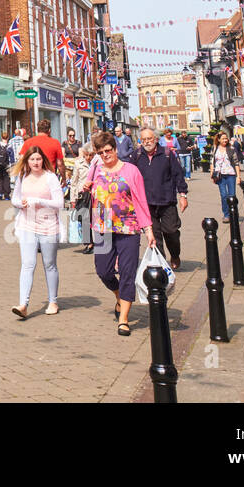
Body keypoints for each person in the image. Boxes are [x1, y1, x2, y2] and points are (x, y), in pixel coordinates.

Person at [84, 129, 155, 336]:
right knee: (103, 270)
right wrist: (87, 186)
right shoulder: (96, 169)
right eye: (101, 152)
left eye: (108, 150)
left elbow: (141, 200)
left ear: (115, 149)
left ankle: (123, 318)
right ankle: (118, 295)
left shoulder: (131, 170)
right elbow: (88, 189)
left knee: (127, 272)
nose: (105, 155)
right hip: (103, 229)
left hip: (128, 228)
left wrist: (148, 229)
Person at [10, 144, 63, 318]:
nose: (35, 162)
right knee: (27, 264)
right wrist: (21, 203)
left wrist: (40, 201)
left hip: (48, 226)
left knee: (49, 264)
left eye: (38, 159)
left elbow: (59, 203)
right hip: (27, 225)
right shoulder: (22, 176)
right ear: (27, 161)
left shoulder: (50, 178)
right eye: (32, 159)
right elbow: (15, 198)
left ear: (43, 160)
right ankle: (23, 304)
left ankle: (53, 301)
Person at [132, 127, 188, 270]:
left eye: (149, 139)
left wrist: (183, 195)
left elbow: (178, 175)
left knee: (171, 232)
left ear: (156, 139)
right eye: (143, 139)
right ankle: (162, 265)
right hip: (147, 204)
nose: (146, 142)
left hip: (167, 201)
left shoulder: (167, 154)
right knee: (155, 236)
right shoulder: (137, 156)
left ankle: (175, 254)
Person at [210, 130, 244, 223]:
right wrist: (212, 174)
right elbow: (212, 161)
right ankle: (226, 214)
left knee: (232, 195)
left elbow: (236, 163)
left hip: (231, 174)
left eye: (226, 138)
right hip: (220, 175)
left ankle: (234, 213)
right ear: (219, 139)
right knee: (224, 195)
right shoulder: (215, 148)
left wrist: (238, 177)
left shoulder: (231, 148)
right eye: (223, 138)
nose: (225, 140)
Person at [68, 144, 96, 255]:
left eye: (91, 155)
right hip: (82, 195)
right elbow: (74, 182)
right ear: (84, 154)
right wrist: (73, 199)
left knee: (95, 218)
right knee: (83, 219)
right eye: (87, 155)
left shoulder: (97, 164)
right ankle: (88, 243)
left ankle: (97, 241)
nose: (89, 157)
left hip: (94, 194)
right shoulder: (78, 164)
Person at [20, 119, 65, 183]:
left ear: (37, 130)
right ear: (49, 130)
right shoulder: (55, 143)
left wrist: (23, 178)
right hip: (49, 178)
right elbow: (60, 164)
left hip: (32, 178)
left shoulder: (28, 142)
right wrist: (64, 178)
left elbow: (22, 161)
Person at [0, 133, 14, 200]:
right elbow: (12, 157)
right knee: (6, 179)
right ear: (8, 138)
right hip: (6, 165)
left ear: (1, 137)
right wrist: (12, 165)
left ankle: (0, 193)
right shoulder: (9, 146)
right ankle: (6, 195)